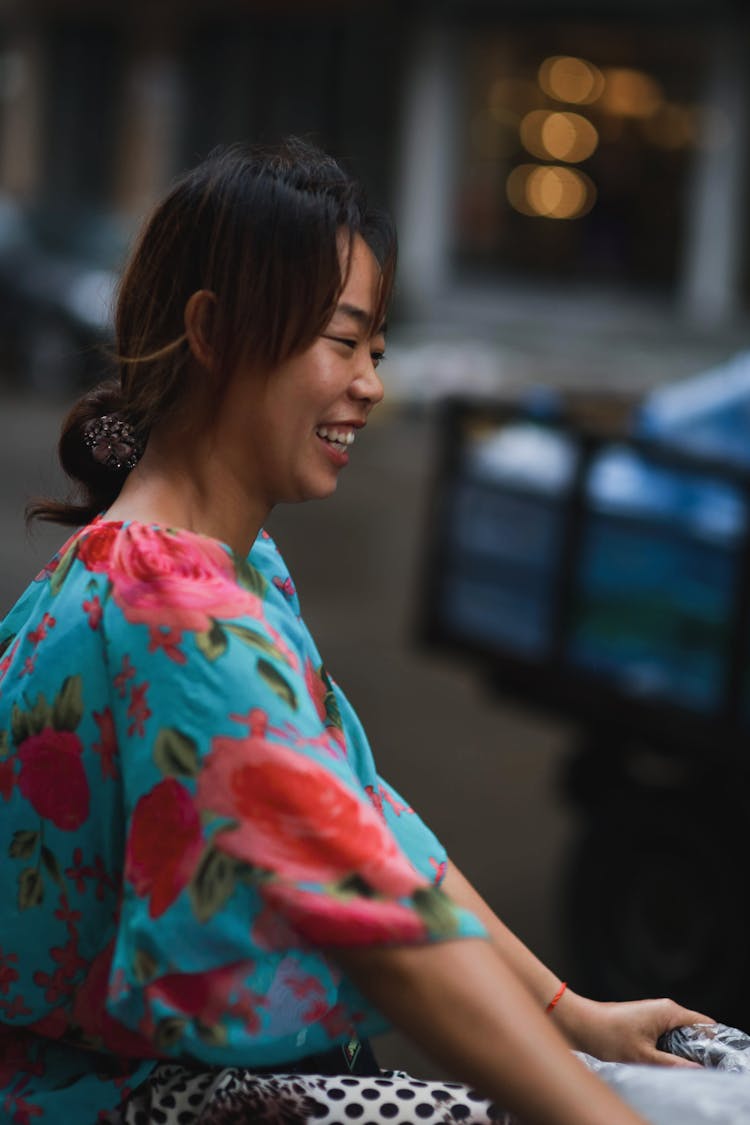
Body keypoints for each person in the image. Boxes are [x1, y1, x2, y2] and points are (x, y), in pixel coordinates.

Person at [0, 139, 710, 1125]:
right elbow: (383, 929)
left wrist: (574, 1015)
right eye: (342, 342)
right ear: (212, 331)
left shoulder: (229, 571)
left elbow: (362, 818)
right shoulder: (170, 615)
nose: (372, 383)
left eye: (376, 349)